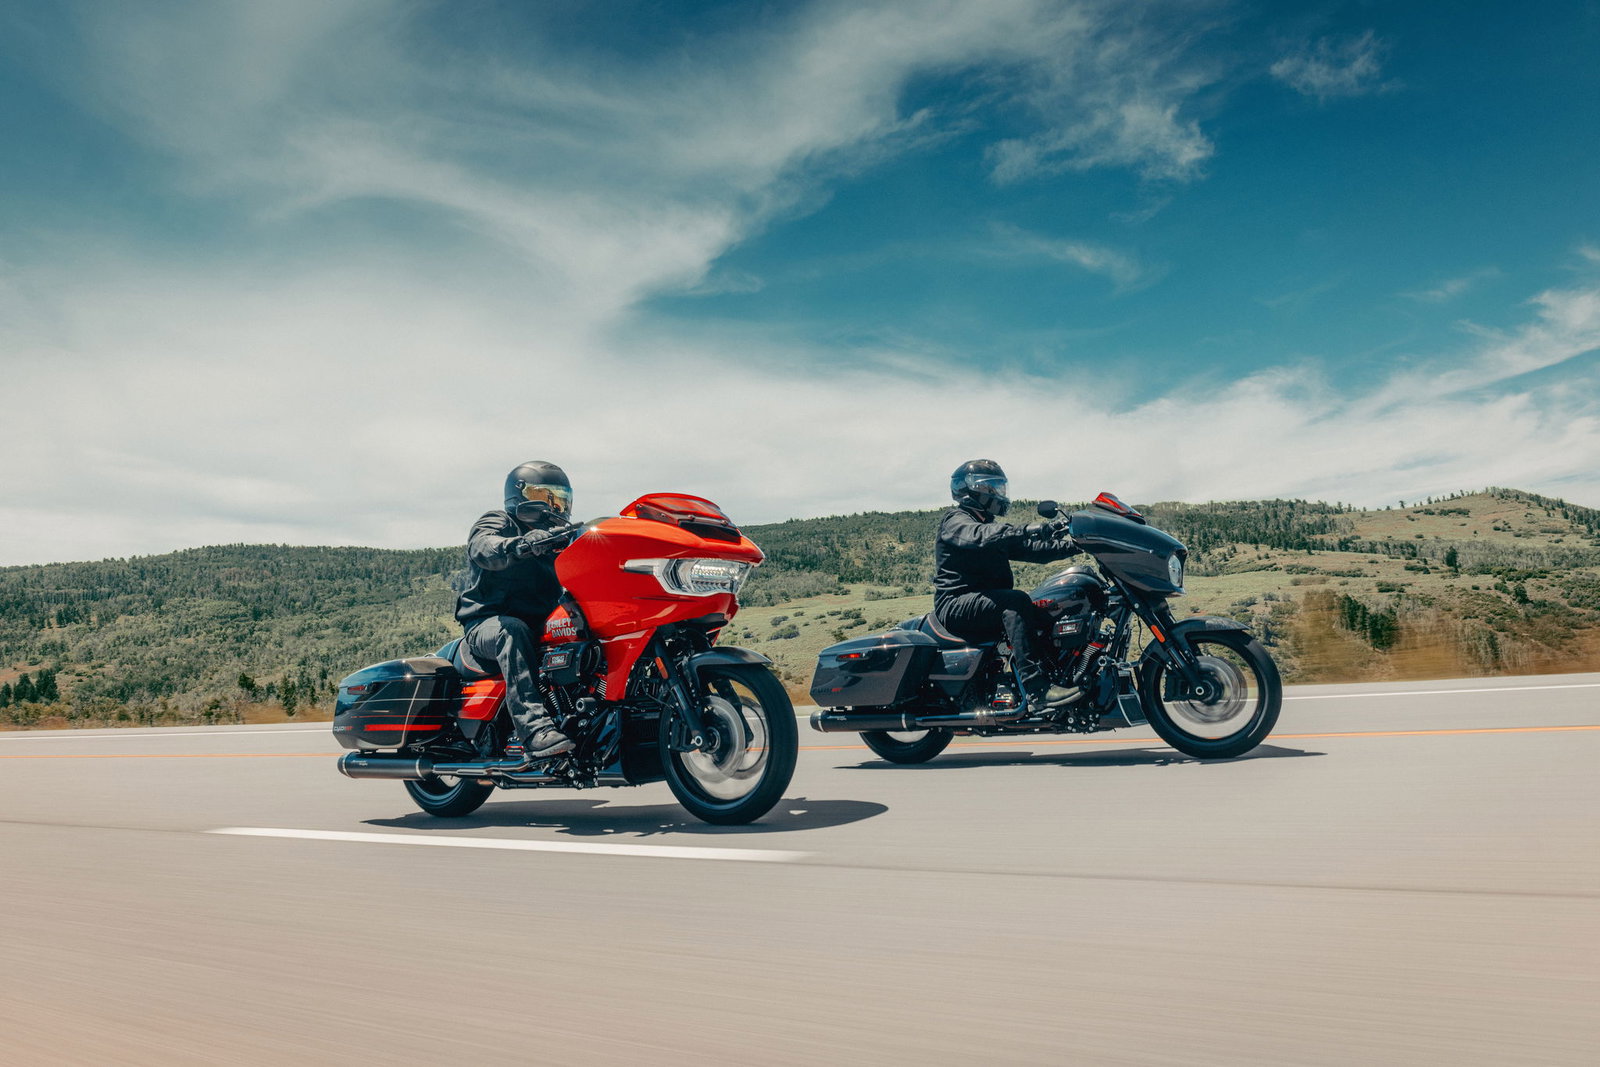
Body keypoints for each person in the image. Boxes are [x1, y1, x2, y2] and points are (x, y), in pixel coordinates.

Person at [454, 460, 583, 758]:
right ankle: (535, 730)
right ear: (520, 495)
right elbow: (483, 546)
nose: (554, 505)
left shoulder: (561, 537)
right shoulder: (499, 521)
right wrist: (518, 544)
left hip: (542, 622)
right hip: (487, 625)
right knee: (512, 630)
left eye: (560, 497)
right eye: (545, 496)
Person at [934, 459, 1081, 714]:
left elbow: (1033, 550)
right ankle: (1037, 690)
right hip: (956, 603)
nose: (998, 493)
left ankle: (1059, 676)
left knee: (1049, 610)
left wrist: (1078, 544)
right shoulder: (956, 521)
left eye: (1000, 487)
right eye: (992, 488)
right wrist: (1034, 528)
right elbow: (980, 536)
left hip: (983, 601)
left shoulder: (989, 526)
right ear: (973, 490)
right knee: (1015, 602)